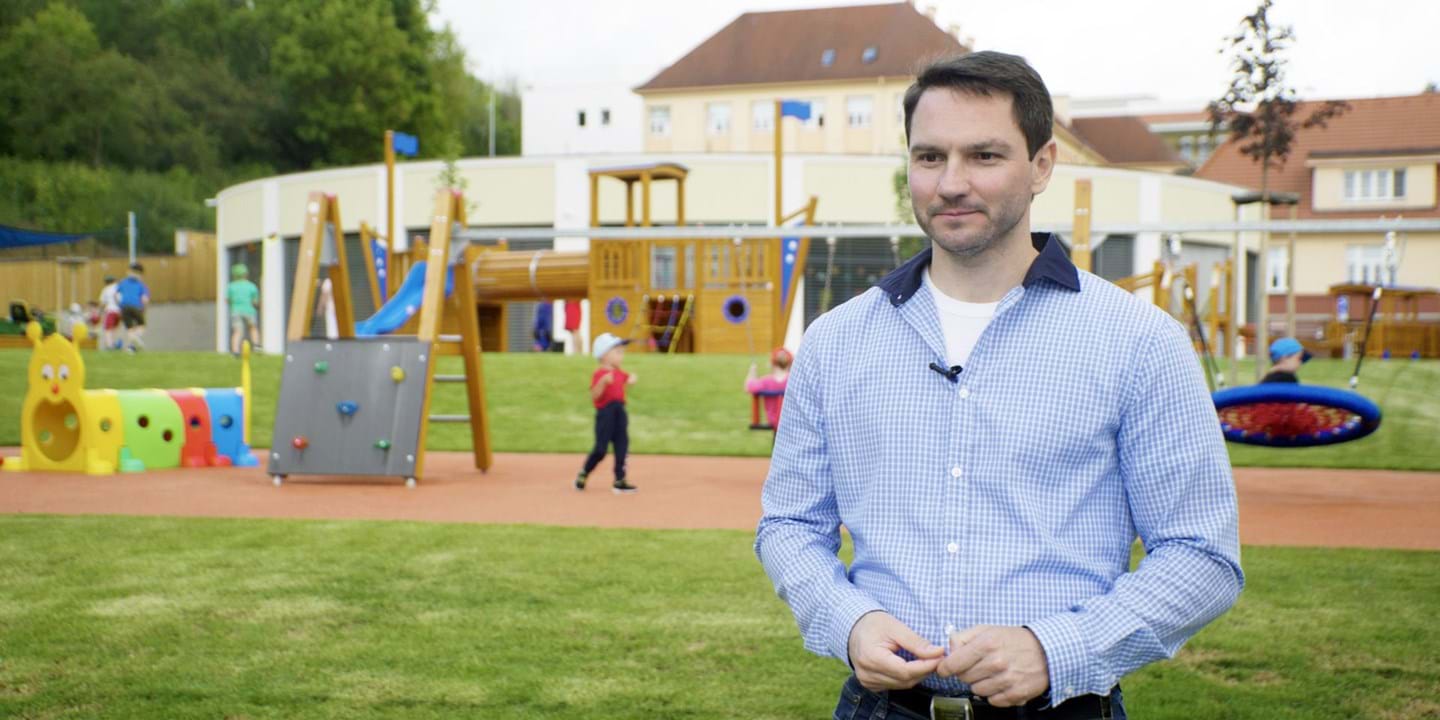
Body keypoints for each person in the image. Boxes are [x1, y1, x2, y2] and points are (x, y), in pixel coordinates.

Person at [755, 51, 1242, 720]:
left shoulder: (1139, 341)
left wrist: (1056, 647)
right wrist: (849, 620)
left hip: (1064, 706)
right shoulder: (836, 341)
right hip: (879, 708)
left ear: (1042, 165)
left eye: (984, 156)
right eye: (929, 157)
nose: (950, 182)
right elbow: (788, 524)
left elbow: (1201, 555)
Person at [575, 332, 639, 494]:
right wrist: (603, 382)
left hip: (620, 412)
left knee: (622, 446)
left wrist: (631, 379)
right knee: (600, 450)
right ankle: (584, 472)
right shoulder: (599, 374)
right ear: (604, 355)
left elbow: (627, 379)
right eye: (617, 352)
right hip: (606, 414)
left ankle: (619, 480)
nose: (621, 355)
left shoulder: (619, 373)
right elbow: (594, 396)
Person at [745, 347, 793, 428]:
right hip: (791, 420)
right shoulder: (792, 380)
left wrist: (752, 372)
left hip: (773, 420)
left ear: (772, 364)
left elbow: (749, 387)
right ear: (790, 363)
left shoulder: (766, 381)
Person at [226, 263, 261, 356]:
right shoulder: (251, 286)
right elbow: (255, 302)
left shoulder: (231, 286)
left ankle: (235, 350)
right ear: (246, 274)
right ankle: (256, 346)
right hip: (249, 311)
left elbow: (227, 300)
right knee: (253, 328)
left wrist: (234, 304)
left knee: (237, 331)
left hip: (236, 311)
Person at [116, 263, 150, 352]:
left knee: (130, 328)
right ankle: (136, 338)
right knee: (142, 325)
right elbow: (145, 299)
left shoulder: (123, 282)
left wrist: (119, 305)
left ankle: (131, 347)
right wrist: (144, 309)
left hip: (124, 306)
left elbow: (116, 295)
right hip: (136, 306)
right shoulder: (141, 285)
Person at [98, 275, 122, 350]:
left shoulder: (106, 289)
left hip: (110, 311)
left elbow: (102, 302)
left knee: (108, 329)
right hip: (119, 311)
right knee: (115, 328)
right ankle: (115, 344)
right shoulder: (118, 288)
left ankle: (109, 345)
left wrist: (100, 311)